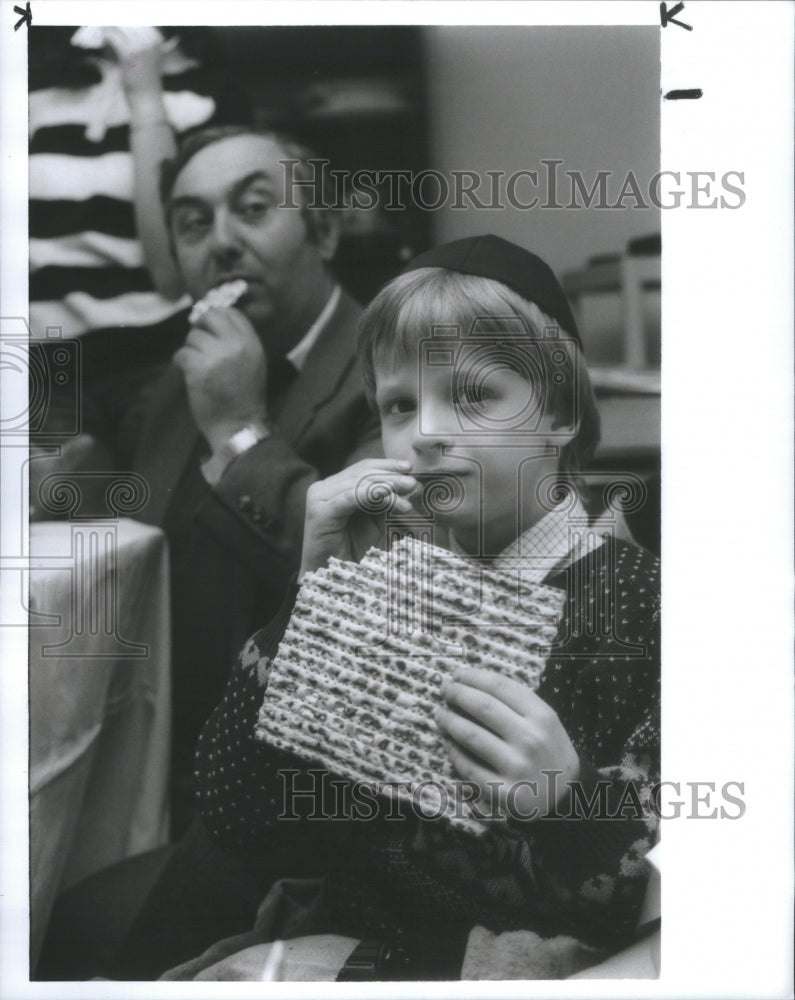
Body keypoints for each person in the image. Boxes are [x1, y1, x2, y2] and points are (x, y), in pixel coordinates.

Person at [178, 235, 660, 981]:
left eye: (471, 394)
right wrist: (305, 608)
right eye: (399, 405)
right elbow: (243, 819)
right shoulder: (384, 590)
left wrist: (564, 800)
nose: (425, 431)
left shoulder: (644, 610)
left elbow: (654, 910)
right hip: (340, 941)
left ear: (560, 413)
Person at [33, 124, 379, 832]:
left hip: (309, 806)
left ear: (323, 233)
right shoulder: (172, 386)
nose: (220, 242)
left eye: (252, 210)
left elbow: (372, 601)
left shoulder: (393, 374)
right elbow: (157, 547)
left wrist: (238, 428)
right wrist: (77, 491)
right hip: (157, 785)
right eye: (193, 224)